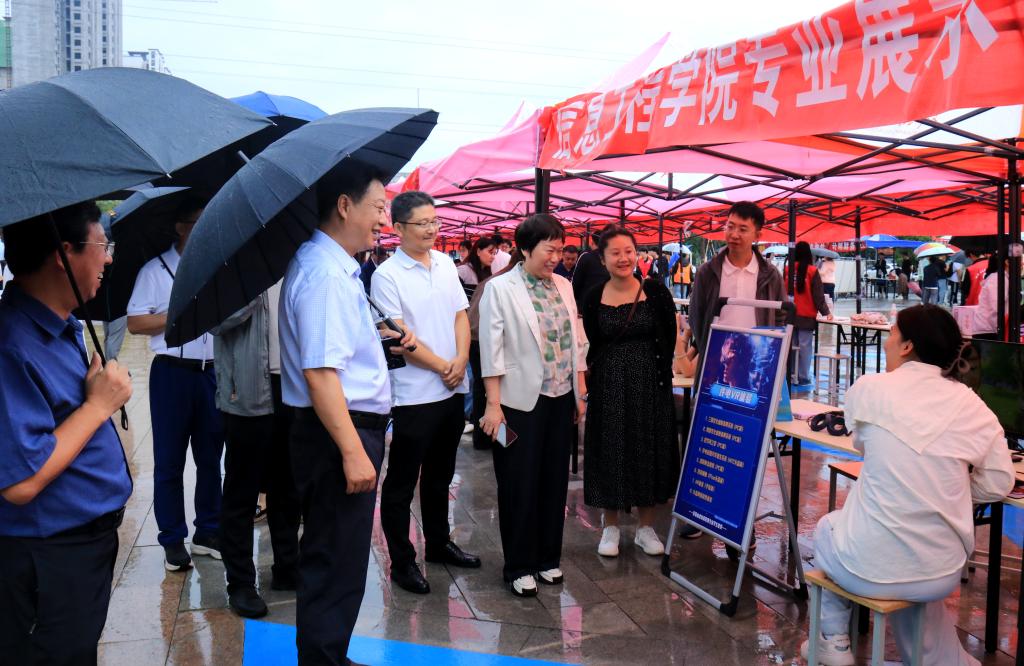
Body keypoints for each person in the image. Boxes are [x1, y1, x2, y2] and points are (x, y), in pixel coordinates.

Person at [800, 304, 1014, 666]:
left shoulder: (869, 389)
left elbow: (863, 444)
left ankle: (832, 640)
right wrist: (952, 488)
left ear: (907, 346)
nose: (887, 342)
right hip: (942, 572)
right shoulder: (974, 406)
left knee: (826, 527)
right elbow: (999, 481)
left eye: (893, 333)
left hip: (865, 567)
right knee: (915, 566)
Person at [280, 159, 416, 664]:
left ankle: (328, 653)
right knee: (334, 559)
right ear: (344, 205)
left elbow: (334, 352)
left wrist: (379, 339)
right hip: (339, 433)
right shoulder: (325, 274)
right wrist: (353, 451)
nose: (383, 220)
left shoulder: (334, 267)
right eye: (378, 208)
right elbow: (320, 372)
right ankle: (322, 658)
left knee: (339, 556)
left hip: (341, 428)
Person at [0, 203, 133, 664]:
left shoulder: (62, 325)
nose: (108, 258)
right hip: (47, 557)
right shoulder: (12, 343)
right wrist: (98, 406)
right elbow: (20, 481)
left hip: (80, 548)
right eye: (102, 244)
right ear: (63, 254)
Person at [371, 190, 481, 596]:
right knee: (401, 482)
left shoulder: (445, 264)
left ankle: (438, 543)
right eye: (423, 223)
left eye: (435, 221)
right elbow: (398, 336)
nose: (432, 229)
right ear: (398, 228)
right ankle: (402, 561)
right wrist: (443, 367)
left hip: (452, 388)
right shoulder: (386, 275)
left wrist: (461, 360)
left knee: (440, 474)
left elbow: (460, 317)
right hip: (414, 395)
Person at [478, 214, 587, 597]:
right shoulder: (500, 288)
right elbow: (491, 350)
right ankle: (519, 565)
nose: (556, 257)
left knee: (554, 481)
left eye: (560, 250)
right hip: (516, 403)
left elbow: (577, 339)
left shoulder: (564, 285)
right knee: (518, 482)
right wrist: (493, 405)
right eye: (549, 250)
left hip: (560, 398)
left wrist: (579, 390)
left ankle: (546, 558)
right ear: (525, 248)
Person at [127, 196, 223, 571]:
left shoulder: (217, 266)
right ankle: (171, 538)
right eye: (199, 222)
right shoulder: (155, 271)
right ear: (181, 228)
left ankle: (208, 531)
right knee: (169, 460)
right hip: (172, 372)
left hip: (211, 371)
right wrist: (178, 317)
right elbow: (136, 322)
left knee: (211, 457)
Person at [580, 227, 679, 558]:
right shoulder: (594, 296)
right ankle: (610, 525)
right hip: (609, 384)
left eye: (629, 251)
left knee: (647, 449)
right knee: (611, 448)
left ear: (637, 254)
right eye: (615, 252)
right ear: (603, 258)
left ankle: (645, 527)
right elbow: (592, 341)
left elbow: (668, 336)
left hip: (650, 384)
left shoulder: (656, 291)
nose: (623, 258)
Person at [212, 278, 301, 619]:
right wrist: (252, 288)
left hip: (293, 383)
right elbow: (215, 321)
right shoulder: (233, 266)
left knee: (288, 486)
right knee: (241, 491)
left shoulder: (296, 260)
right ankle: (240, 583)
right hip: (247, 389)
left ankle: (287, 566)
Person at [689, 201, 786, 354]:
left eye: (742, 229)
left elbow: (781, 315)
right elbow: (696, 316)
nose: (734, 234)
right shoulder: (707, 272)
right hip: (716, 357)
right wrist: (708, 351)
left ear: (757, 235)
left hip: (756, 358)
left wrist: (768, 349)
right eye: (730, 226)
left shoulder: (770, 275)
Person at [785, 242, 832, 387]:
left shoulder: (787, 269)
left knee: (792, 345)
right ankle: (803, 377)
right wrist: (826, 312)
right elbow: (818, 295)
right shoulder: (812, 271)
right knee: (805, 347)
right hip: (806, 316)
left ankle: (791, 374)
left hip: (790, 314)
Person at [972, 254, 1012, 340]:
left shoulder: (1002, 278)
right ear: (1007, 262)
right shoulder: (998, 278)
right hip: (988, 330)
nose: (1021, 264)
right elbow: (997, 306)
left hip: (991, 328)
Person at [572, 228, 612, 309]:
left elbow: (575, 283)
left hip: (586, 304)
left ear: (592, 242)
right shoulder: (611, 258)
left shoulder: (586, 257)